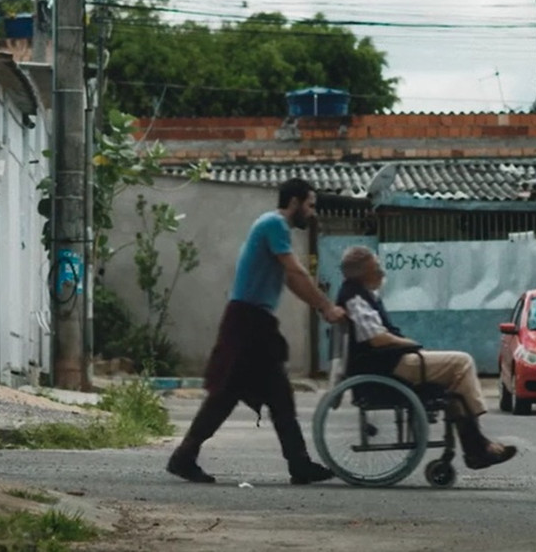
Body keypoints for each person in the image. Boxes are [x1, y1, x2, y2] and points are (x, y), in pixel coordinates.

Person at [167, 178, 347, 485]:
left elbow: (292, 280)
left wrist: (320, 306)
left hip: (253, 321)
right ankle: (296, 463)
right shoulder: (274, 223)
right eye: (311, 205)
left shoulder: (275, 228)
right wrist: (327, 307)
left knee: (247, 395)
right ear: (294, 202)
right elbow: (295, 272)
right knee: (245, 395)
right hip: (247, 321)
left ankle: (188, 456)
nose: (313, 213)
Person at [335, 245, 517, 470]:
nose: (382, 273)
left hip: (388, 362)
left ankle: (475, 447)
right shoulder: (355, 298)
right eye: (376, 268)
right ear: (362, 273)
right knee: (462, 362)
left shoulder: (360, 294)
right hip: (388, 365)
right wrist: (410, 344)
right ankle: (476, 447)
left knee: (455, 383)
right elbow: (377, 339)